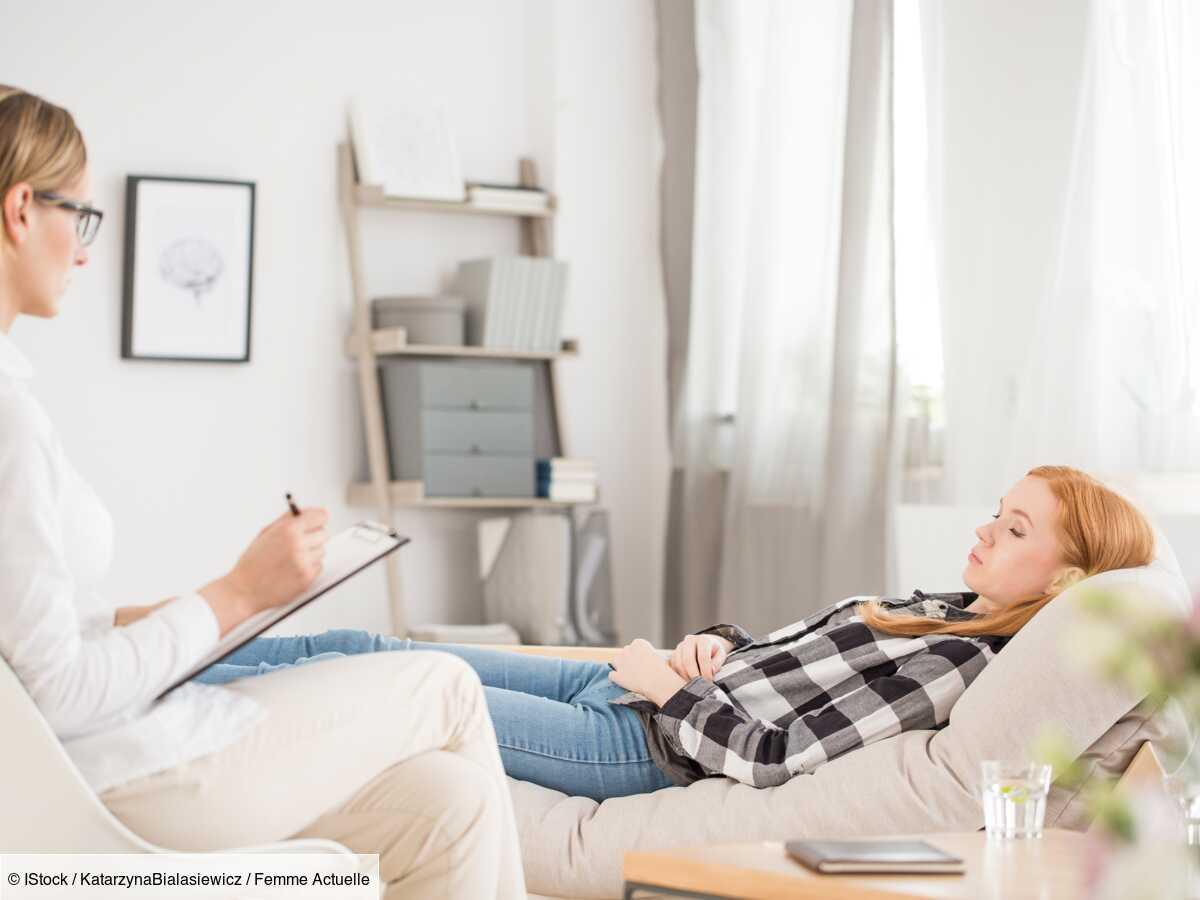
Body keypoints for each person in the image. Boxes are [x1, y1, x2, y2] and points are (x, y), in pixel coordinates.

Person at [0, 86, 525, 900]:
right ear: (21, 210)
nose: (84, 252)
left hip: (116, 753)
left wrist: (212, 605)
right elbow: (58, 695)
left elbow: (39, 641)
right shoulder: (8, 421)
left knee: (449, 804)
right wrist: (239, 593)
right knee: (447, 684)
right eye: (83, 218)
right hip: (112, 781)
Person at [195, 465, 1157, 799]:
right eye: (997, 512)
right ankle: (170, 665)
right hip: (634, 686)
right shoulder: (943, 608)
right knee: (379, 651)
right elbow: (783, 662)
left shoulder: (959, 661)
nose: (986, 531)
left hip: (640, 743)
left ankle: (165, 706)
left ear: (1067, 581)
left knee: (378, 693)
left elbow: (779, 757)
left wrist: (671, 689)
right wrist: (714, 645)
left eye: (1016, 530)